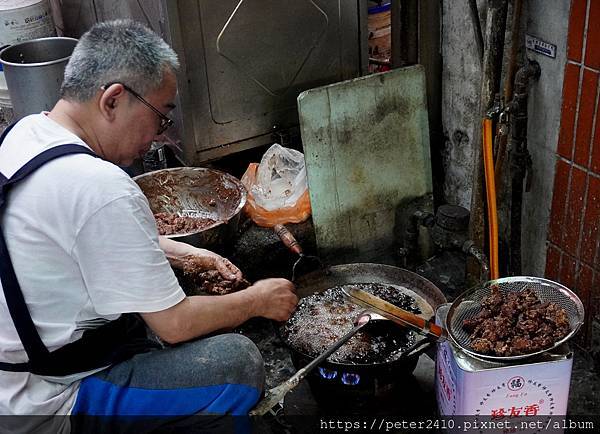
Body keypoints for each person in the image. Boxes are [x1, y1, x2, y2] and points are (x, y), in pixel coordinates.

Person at [0, 18, 297, 427]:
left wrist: (185, 251)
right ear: (112, 100)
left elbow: (76, 236)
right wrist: (258, 300)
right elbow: (176, 325)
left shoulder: (24, 133)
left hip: (15, 378)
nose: (159, 135)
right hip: (50, 401)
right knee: (238, 364)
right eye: (161, 116)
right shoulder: (101, 187)